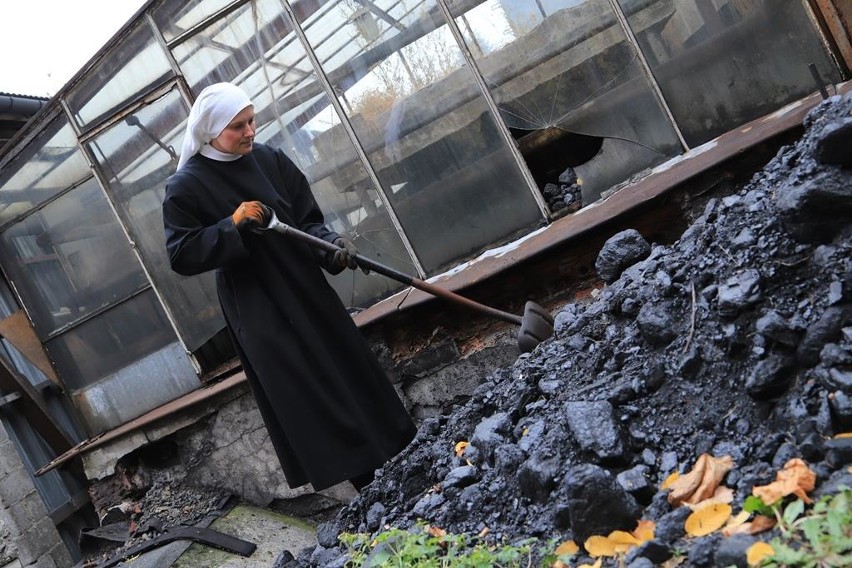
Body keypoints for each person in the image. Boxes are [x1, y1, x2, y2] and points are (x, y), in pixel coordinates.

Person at [162, 82, 417, 492]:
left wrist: (331, 247)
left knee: (347, 364)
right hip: (258, 305)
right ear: (210, 132)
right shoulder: (186, 186)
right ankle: (367, 484)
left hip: (304, 286)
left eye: (251, 120)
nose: (250, 131)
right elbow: (181, 252)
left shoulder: (269, 160)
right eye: (237, 126)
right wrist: (231, 225)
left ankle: (403, 452)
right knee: (309, 386)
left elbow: (307, 221)